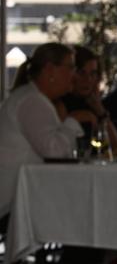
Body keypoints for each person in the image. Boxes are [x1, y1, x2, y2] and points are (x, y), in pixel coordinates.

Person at [0, 43, 86, 220]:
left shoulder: (29, 96)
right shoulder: (32, 101)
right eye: (70, 67)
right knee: (84, 213)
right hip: (13, 202)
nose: (74, 75)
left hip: (20, 196)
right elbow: (53, 151)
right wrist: (73, 121)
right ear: (49, 70)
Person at [60, 45, 117, 154]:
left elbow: (116, 148)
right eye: (81, 73)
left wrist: (100, 111)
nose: (87, 79)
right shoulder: (60, 103)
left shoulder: (93, 103)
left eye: (92, 73)